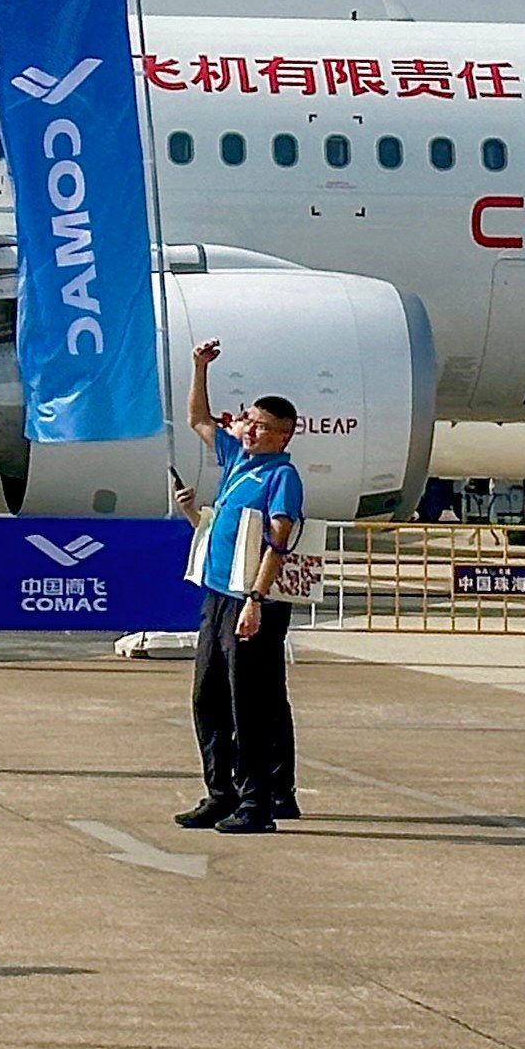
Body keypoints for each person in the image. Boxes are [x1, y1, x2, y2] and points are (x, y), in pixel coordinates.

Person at [175, 338, 301, 835]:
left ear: (284, 435)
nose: (248, 428)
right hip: (218, 594)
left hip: (252, 602)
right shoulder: (236, 462)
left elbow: (279, 542)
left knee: (247, 702)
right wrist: (199, 368)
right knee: (208, 696)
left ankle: (258, 803)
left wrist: (255, 600)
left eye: (262, 425)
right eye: (247, 419)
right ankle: (219, 791)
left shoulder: (281, 476)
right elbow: (199, 420)